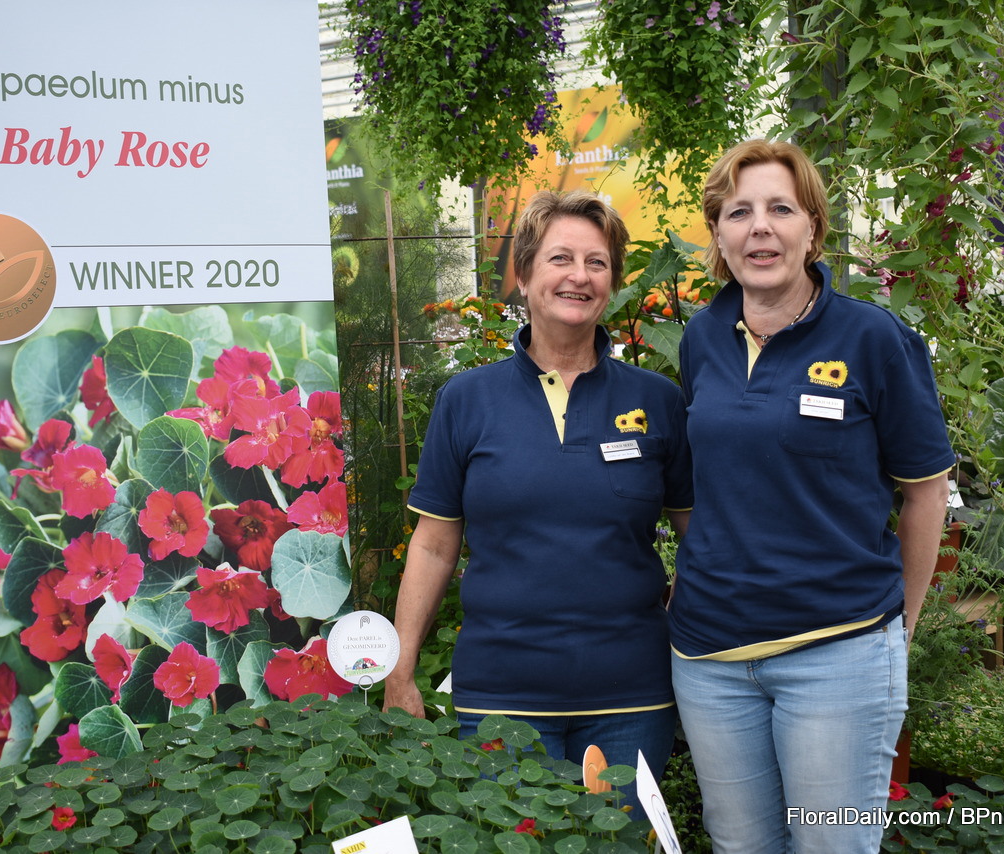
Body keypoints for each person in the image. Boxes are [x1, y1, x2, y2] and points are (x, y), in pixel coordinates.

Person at [667, 139, 953, 853]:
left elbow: (926, 492)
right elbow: (707, 484)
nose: (759, 228)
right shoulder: (702, 339)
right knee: (740, 847)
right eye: (739, 212)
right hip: (709, 660)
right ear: (718, 234)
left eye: (781, 209)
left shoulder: (873, 339)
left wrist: (900, 626)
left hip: (837, 653)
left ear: (813, 228)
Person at [383, 189, 692, 797]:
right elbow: (434, 546)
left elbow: (699, 534)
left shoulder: (657, 400)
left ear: (612, 282)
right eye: (560, 259)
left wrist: (681, 623)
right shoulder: (466, 401)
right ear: (523, 276)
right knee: (514, 836)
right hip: (501, 699)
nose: (580, 276)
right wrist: (401, 670)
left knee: (616, 841)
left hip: (631, 699)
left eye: (597, 262)